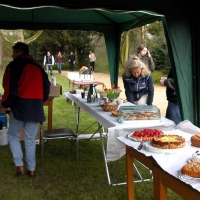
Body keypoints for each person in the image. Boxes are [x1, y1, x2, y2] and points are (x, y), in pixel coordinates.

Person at [1, 42, 50, 177]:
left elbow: (9, 88)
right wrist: (40, 100)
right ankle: (32, 169)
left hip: (19, 107)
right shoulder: (39, 68)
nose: (12, 55)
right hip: (35, 108)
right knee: (30, 138)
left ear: (19, 52)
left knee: (12, 135)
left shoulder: (13, 66)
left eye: (14, 52)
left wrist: (6, 103)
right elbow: (46, 88)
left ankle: (19, 166)